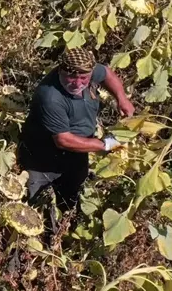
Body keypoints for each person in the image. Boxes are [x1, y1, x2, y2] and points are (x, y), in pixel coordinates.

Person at [18, 48, 135, 215]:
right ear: (60, 70)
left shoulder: (86, 70)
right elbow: (64, 140)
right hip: (42, 159)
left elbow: (107, 74)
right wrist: (105, 144)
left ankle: (66, 227)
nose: (78, 83)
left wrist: (122, 98)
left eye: (84, 78)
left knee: (70, 199)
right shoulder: (50, 97)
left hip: (78, 152)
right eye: (71, 77)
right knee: (32, 207)